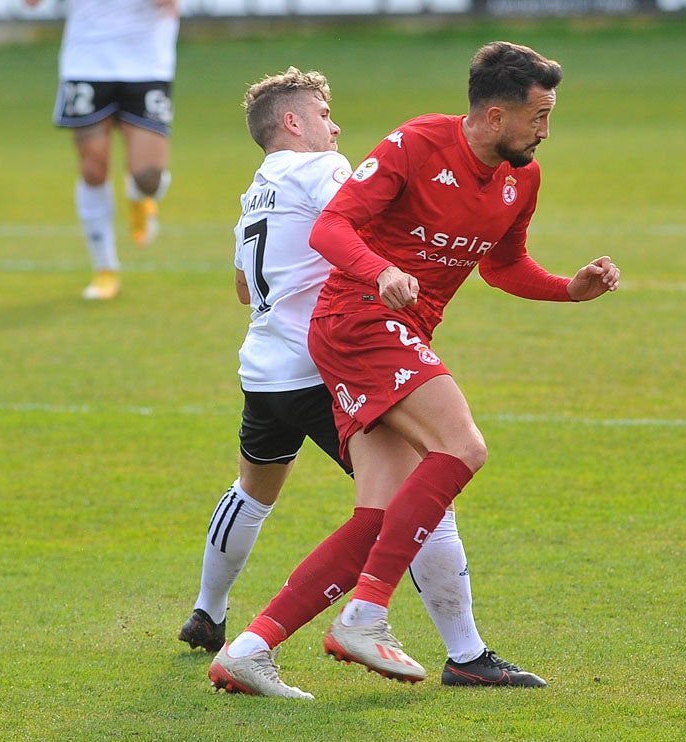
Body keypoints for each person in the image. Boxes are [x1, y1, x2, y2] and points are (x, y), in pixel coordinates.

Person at [212, 41, 620, 694]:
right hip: (358, 321)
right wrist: (382, 271)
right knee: (462, 446)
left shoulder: (523, 178)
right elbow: (331, 230)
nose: (546, 129)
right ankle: (367, 613)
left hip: (393, 331)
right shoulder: (418, 143)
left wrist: (570, 288)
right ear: (493, 115)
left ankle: (249, 648)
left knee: (381, 513)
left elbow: (503, 263)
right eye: (538, 115)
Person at [25, 0, 178, 300]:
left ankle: (139, 199)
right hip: (87, 60)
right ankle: (105, 268)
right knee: (93, 169)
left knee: (149, 178)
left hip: (146, 63)